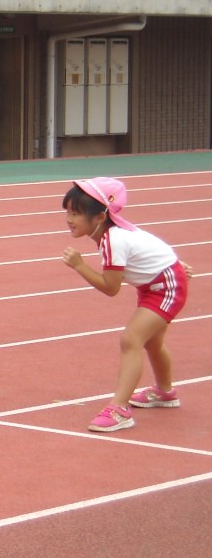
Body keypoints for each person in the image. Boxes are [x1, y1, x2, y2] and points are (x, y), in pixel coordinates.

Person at [61, 177, 191, 433]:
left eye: (75, 214)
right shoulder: (112, 232)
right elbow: (148, 246)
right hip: (158, 283)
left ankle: (120, 409)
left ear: (99, 218)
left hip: (165, 287)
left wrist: (79, 266)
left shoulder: (112, 240)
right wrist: (174, 264)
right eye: (68, 212)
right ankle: (165, 392)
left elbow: (111, 288)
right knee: (152, 342)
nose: (68, 219)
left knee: (131, 340)